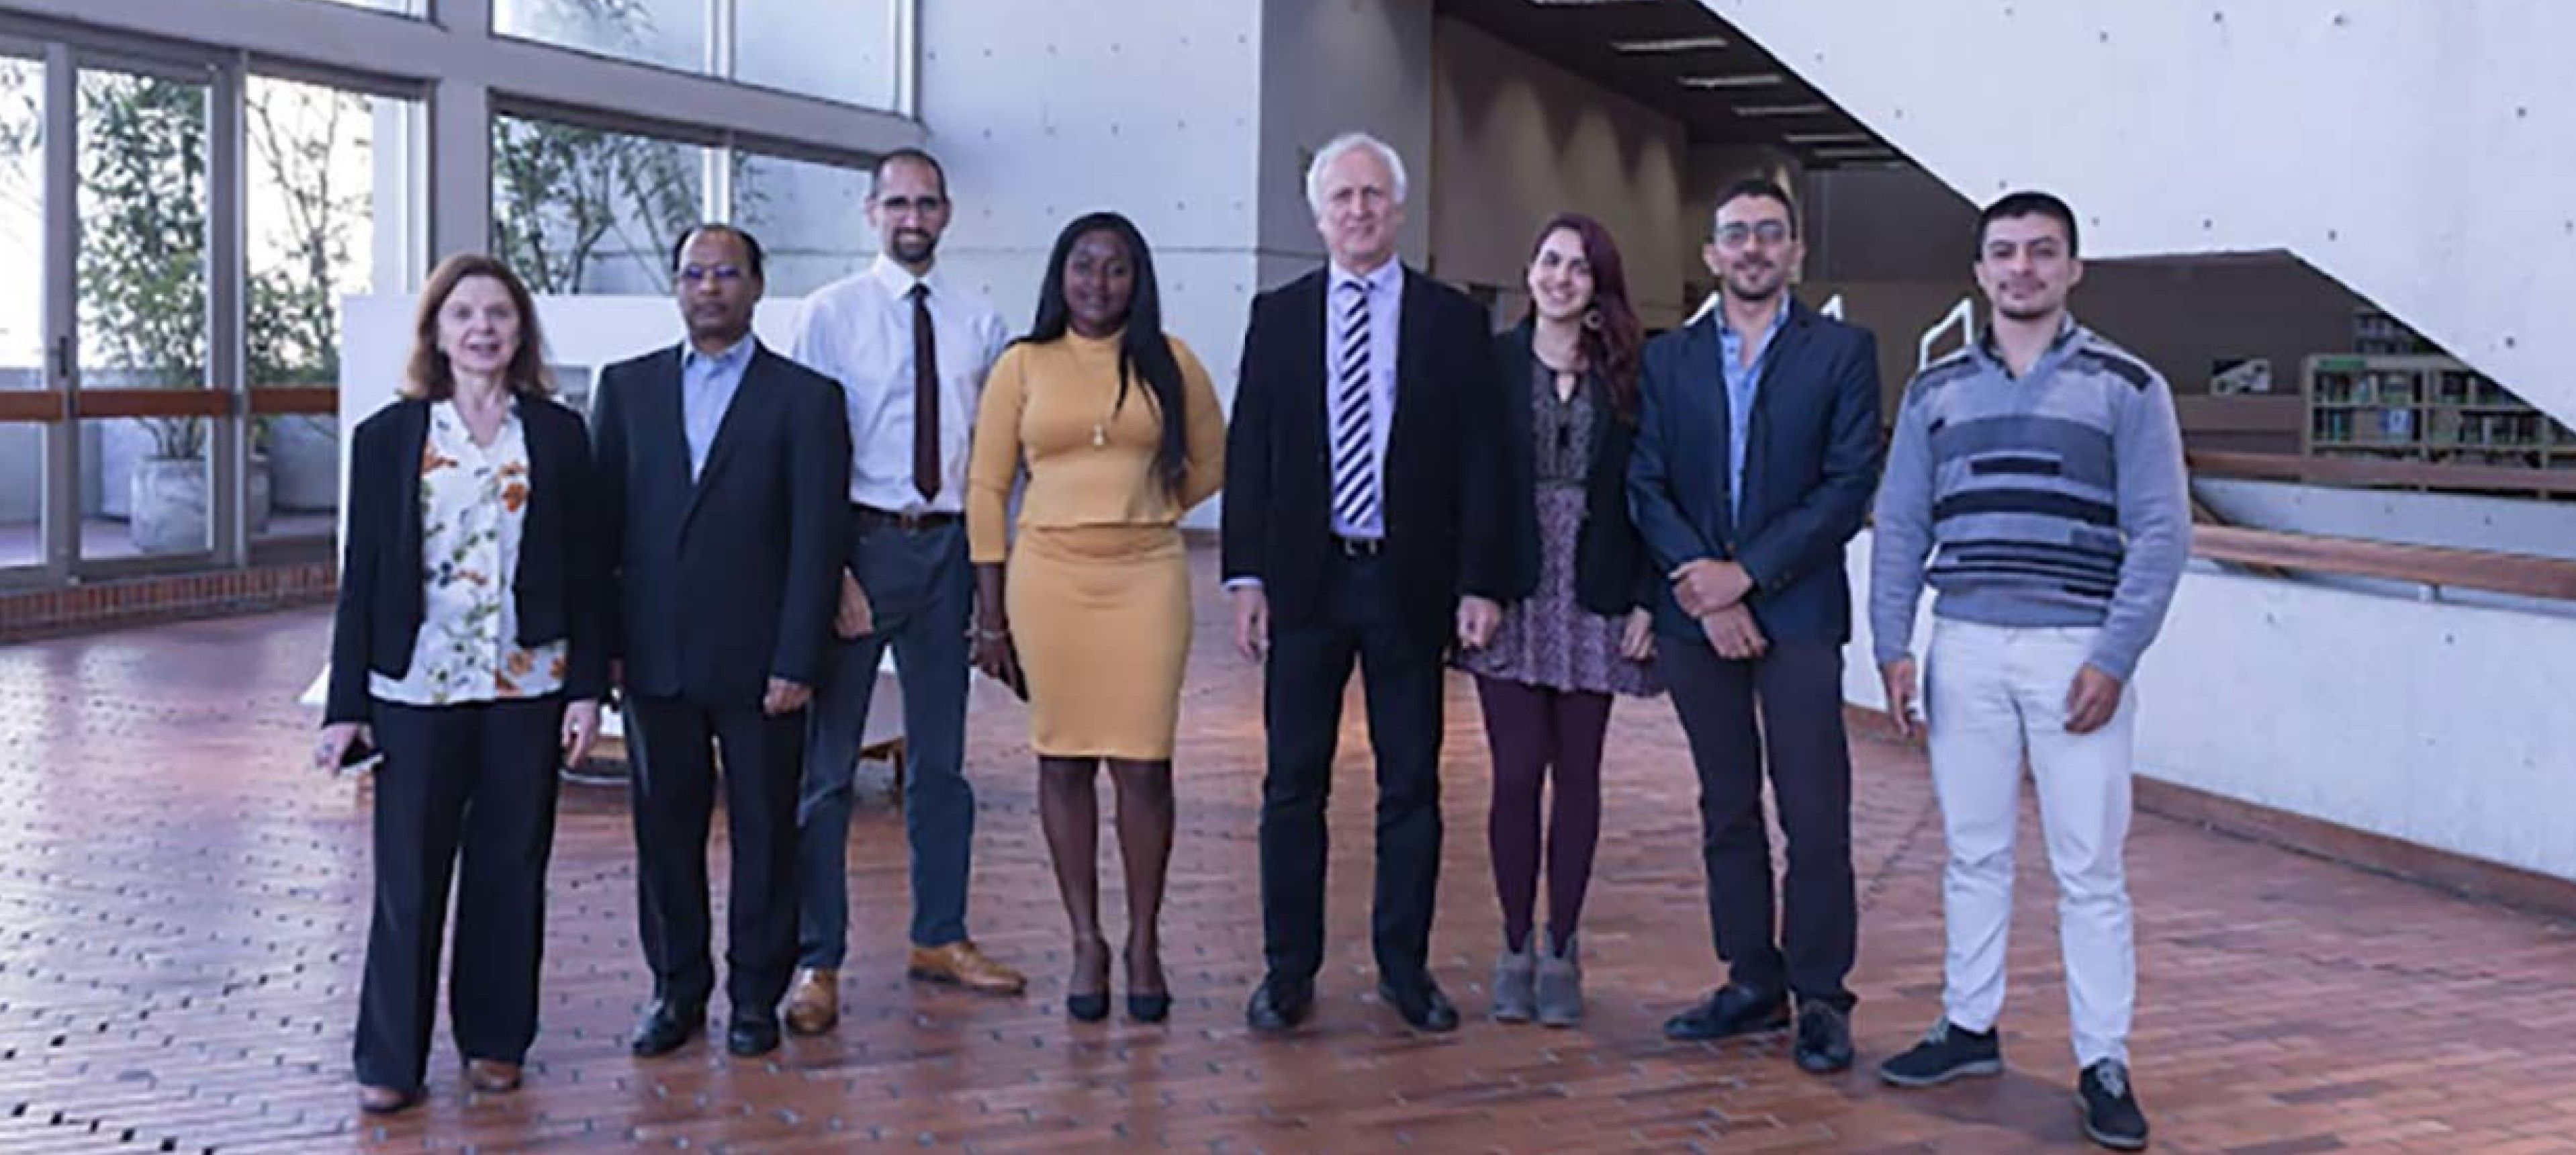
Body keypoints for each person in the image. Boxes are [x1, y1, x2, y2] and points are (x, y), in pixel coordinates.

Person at [1870, 191, 2187, 1152]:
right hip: (1965, 641)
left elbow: (2164, 533)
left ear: (2072, 269)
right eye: (2003, 253)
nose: (2021, 269)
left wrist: (2114, 656)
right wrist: (1893, 644)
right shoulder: (1933, 392)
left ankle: (2103, 1061)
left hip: (2074, 652)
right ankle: (1968, 1026)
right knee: (1973, 854)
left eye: (2041, 253)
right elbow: (1902, 525)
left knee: (2088, 869)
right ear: (1979, 273)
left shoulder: (2128, 386)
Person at [1223, 131, 1508, 1036]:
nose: (1358, 211)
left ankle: (1404, 969)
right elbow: (1251, 450)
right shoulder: (1278, 314)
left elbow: (1481, 462)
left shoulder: (1453, 321)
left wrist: (1480, 583)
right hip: (1307, 587)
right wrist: (1246, 577)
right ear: (1317, 215)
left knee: (1411, 785)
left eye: (1373, 195)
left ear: (1399, 207)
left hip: (1407, 585)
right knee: (1292, 785)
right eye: (1342, 197)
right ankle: (1287, 971)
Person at [316, 253, 606, 1114]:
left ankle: (494, 1040)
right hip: (415, 687)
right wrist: (345, 710)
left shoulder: (557, 434)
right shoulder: (388, 438)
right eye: (464, 315)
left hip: (528, 682)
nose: (483, 329)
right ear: (437, 333)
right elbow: (361, 576)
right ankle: (390, 1058)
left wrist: (587, 688)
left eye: (500, 315)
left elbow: (590, 571)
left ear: (520, 333)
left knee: (510, 868)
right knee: (408, 876)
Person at [1628, 179, 1882, 1074]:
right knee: (1726, 806)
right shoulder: (1668, 361)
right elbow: (1645, 484)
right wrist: (1710, 590)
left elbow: (1848, 486)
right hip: (1699, 619)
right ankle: (1751, 981)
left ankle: (1821, 996)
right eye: (1735, 234)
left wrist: (1749, 576)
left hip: (1801, 613)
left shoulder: (1844, 351)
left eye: (1770, 235)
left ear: (1797, 252)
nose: (1752, 249)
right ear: (1711, 255)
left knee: (1815, 811)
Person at [592, 223, 851, 1060]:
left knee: (767, 832)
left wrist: (797, 657)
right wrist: (606, 652)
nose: (710, 288)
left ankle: (753, 995)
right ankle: (676, 989)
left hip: (761, 663)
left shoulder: (805, 398)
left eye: (727, 273)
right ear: (675, 286)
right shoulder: (625, 391)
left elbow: (818, 539)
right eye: (695, 274)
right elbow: (602, 536)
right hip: (654, 658)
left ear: (757, 286)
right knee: (662, 830)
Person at [964, 212, 1225, 1024]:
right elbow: (985, 486)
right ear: (1060, 275)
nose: (1098, 283)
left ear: (1136, 278)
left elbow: (1215, 459)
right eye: (1083, 267)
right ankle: (1086, 939)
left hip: (1146, 575)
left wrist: (1143, 508)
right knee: (1063, 759)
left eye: (1115, 269)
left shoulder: (1171, 361)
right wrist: (989, 613)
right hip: (1048, 580)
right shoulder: (1022, 363)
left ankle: (1143, 938)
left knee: (1144, 763)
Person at [786, 148, 1023, 1035]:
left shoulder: (980, 321)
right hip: (858, 547)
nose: (912, 218)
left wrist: (992, 575)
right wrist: (831, 573)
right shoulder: (830, 315)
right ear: (870, 211)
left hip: (948, 553)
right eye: (897, 204)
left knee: (942, 767)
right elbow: (806, 454)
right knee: (829, 772)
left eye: (927, 204)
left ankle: (941, 935)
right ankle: (819, 960)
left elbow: (999, 459)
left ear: (948, 214)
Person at [1462, 214, 1661, 1029]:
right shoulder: (1492, 364)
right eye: (1548, 260)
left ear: (1598, 283)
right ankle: (1512, 943)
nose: (1560, 277)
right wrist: (1470, 585)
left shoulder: (1631, 373)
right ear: (1528, 270)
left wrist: (1650, 595)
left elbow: (1656, 488)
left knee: (1577, 776)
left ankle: (1563, 943)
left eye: (1578, 267)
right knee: (1515, 776)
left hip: (1598, 586)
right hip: (1509, 584)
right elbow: (1466, 483)